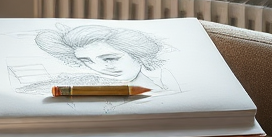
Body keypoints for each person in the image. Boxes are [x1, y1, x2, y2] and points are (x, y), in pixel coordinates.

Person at [34, 24, 173, 89]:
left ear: (138, 55)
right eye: (86, 61)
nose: (100, 68)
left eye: (110, 59)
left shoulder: (165, 88)